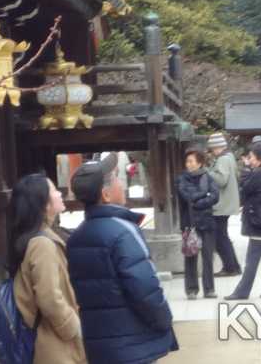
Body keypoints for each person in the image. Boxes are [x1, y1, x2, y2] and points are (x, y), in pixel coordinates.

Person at [66, 153, 178, 363]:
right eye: (117, 179)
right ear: (106, 194)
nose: (121, 184)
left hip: (97, 344)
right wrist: (164, 321)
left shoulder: (76, 238)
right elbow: (145, 289)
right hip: (133, 344)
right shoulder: (123, 232)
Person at [6, 172, 86, 364]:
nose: (60, 193)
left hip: (53, 340)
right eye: (54, 190)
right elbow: (49, 297)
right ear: (43, 204)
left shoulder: (42, 238)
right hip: (54, 345)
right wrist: (73, 327)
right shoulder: (42, 244)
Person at [227, 141, 261, 300]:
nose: (249, 160)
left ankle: (242, 292)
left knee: (252, 259)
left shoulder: (258, 173)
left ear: (258, 157)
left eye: (250, 157)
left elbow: (245, 189)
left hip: (260, 221)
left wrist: (246, 170)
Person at [175, 147, 218, 299]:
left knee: (207, 257)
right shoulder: (181, 179)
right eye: (187, 161)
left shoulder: (208, 177)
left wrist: (198, 202)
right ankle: (191, 289)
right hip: (190, 222)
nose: (188, 164)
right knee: (190, 256)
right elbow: (186, 195)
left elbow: (215, 196)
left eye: (192, 161)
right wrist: (203, 195)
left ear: (200, 163)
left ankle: (209, 289)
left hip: (207, 222)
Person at [205, 132, 242, 276]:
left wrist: (207, 171)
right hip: (227, 202)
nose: (212, 151)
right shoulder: (230, 157)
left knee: (219, 238)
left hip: (222, 204)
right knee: (223, 236)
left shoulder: (223, 159)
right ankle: (234, 266)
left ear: (217, 147)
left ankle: (230, 267)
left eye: (212, 148)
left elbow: (221, 180)